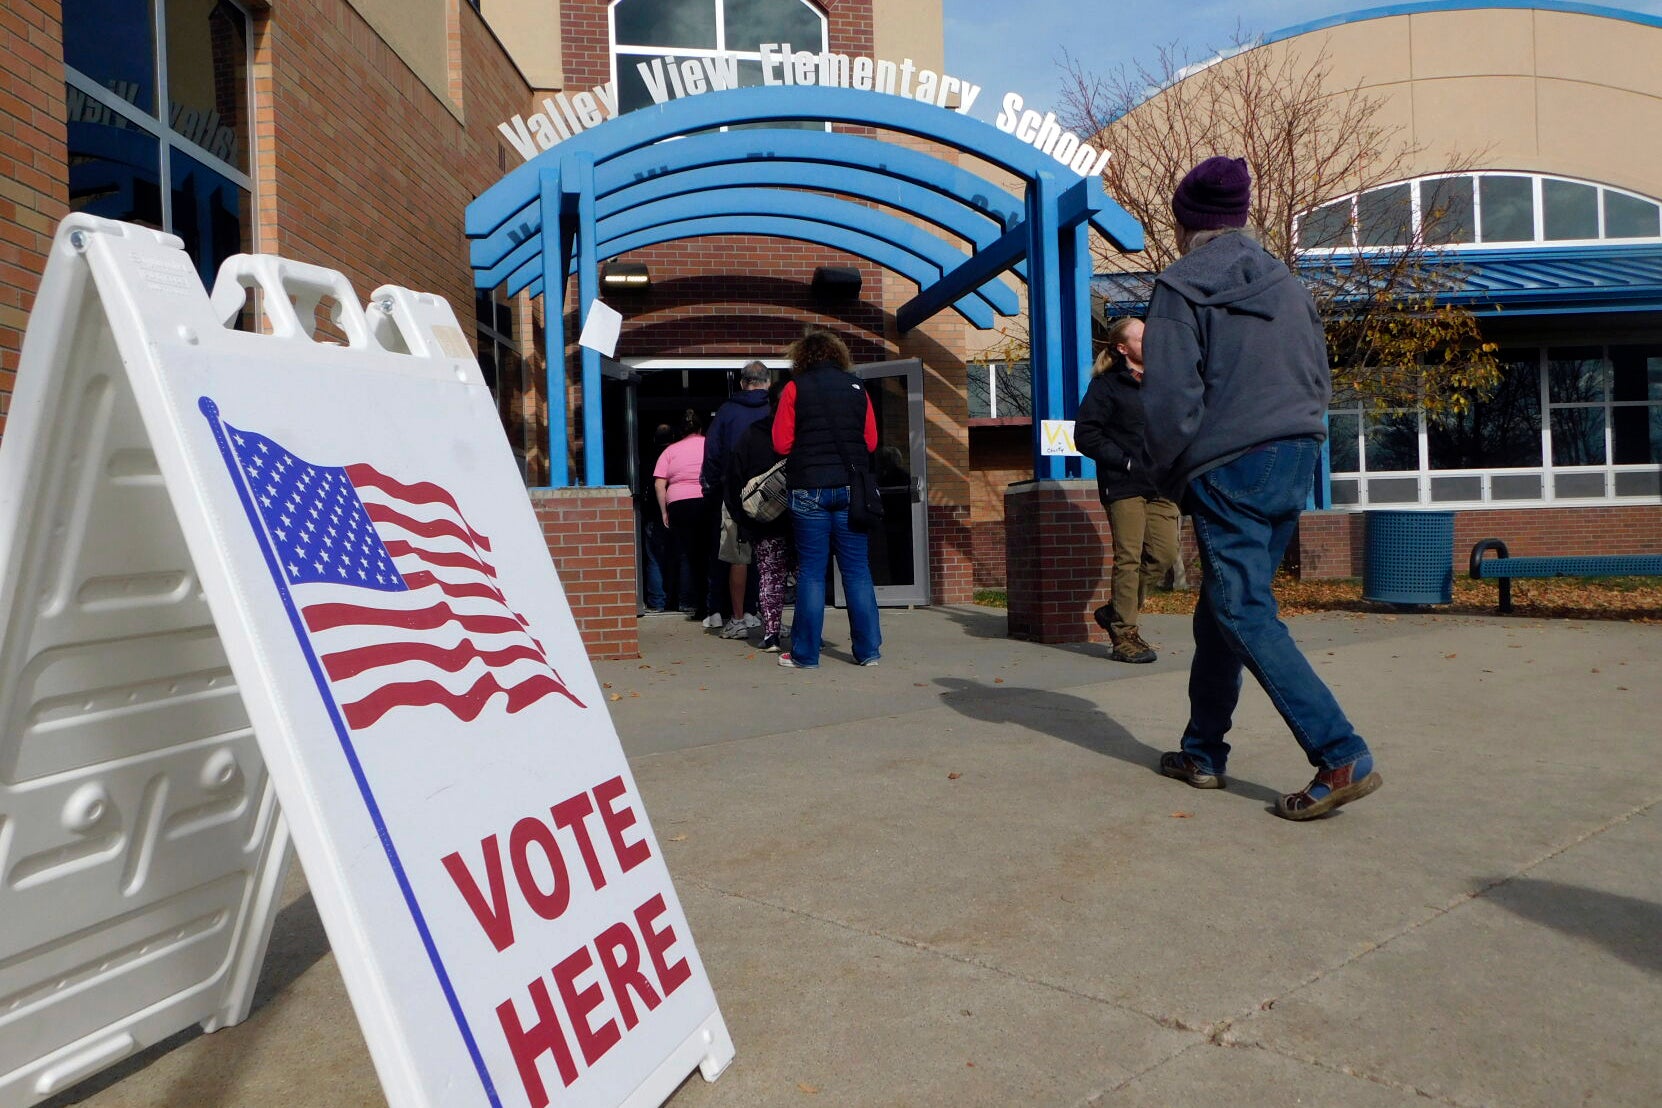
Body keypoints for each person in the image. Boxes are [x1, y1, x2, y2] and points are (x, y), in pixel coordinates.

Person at [1141, 155, 1382, 821]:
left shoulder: (1180, 287)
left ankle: (1341, 751)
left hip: (1229, 463)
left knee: (1244, 609)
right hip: (1294, 455)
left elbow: (1170, 399)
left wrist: (1167, 473)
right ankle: (1202, 750)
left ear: (1186, 221)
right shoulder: (1288, 285)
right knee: (1223, 606)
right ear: (1241, 217)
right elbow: (1316, 376)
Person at [771, 330, 882, 669]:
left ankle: (806, 655)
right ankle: (868, 652)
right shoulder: (857, 388)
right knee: (857, 571)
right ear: (838, 355)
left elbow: (780, 443)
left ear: (802, 357)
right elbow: (872, 442)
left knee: (812, 573)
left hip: (808, 488)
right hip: (851, 489)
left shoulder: (794, 388)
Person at [1074, 317, 1181, 664]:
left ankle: (1114, 610)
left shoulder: (1165, 382)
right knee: (1129, 558)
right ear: (1123, 348)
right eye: (1142, 337)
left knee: (1163, 555)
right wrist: (1126, 462)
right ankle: (1124, 635)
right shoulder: (1107, 387)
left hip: (1162, 484)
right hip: (1124, 484)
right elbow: (1086, 435)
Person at [703, 361, 772, 637]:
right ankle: (766, 615)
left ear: (744, 383)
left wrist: (711, 485)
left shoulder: (727, 412)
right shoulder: (775, 409)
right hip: (773, 494)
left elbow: (712, 453)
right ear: (767, 382)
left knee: (737, 556)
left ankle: (739, 618)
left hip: (735, 493)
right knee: (770, 555)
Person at [726, 381, 793, 652]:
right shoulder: (802, 435)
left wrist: (743, 519)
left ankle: (771, 634)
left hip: (764, 520)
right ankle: (808, 633)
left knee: (769, 576)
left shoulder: (753, 434)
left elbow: (732, 477)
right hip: (802, 518)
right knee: (807, 576)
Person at [653, 409, 710, 621]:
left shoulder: (670, 451)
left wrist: (664, 511)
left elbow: (660, 483)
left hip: (679, 504)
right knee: (711, 553)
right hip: (706, 500)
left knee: (689, 555)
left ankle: (696, 604)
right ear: (701, 428)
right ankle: (715, 605)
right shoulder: (709, 444)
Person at [640, 422, 675, 613]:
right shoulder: (677, 454)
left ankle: (657, 601)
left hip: (654, 513)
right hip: (677, 510)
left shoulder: (648, 458)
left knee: (654, 558)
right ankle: (683, 599)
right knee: (681, 557)